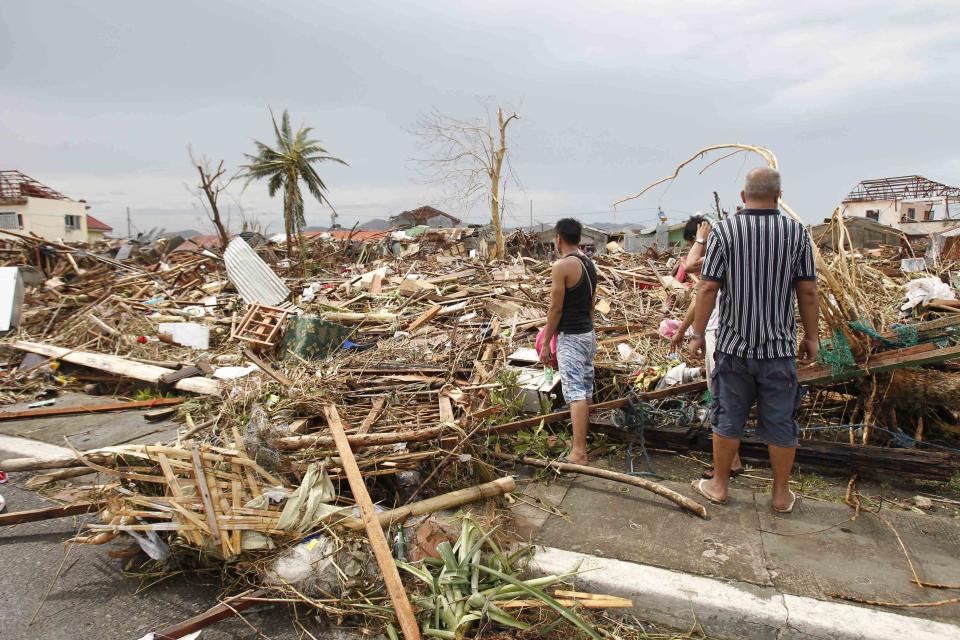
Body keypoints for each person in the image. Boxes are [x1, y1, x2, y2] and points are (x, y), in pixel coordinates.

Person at [688, 167, 820, 513]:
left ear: (743, 197)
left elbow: (707, 286)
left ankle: (719, 485)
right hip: (778, 349)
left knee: (728, 416)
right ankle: (779, 495)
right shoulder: (796, 233)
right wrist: (812, 336)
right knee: (780, 422)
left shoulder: (725, 231)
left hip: (733, 346)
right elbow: (807, 289)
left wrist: (697, 334)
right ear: (779, 197)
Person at [670, 214, 744, 479]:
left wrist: (701, 239)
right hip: (721, 332)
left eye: (692, 242)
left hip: (719, 334)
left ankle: (728, 463)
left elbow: (689, 265)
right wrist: (681, 330)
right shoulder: (725, 256)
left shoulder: (716, 253)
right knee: (724, 396)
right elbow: (700, 297)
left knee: (721, 397)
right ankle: (731, 458)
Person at [539, 218, 598, 465]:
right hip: (587, 334)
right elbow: (592, 303)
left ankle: (578, 451)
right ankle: (584, 440)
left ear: (558, 239)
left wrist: (545, 342)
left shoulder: (562, 266)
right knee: (585, 389)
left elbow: (555, 309)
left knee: (575, 393)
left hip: (571, 338)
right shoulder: (589, 263)